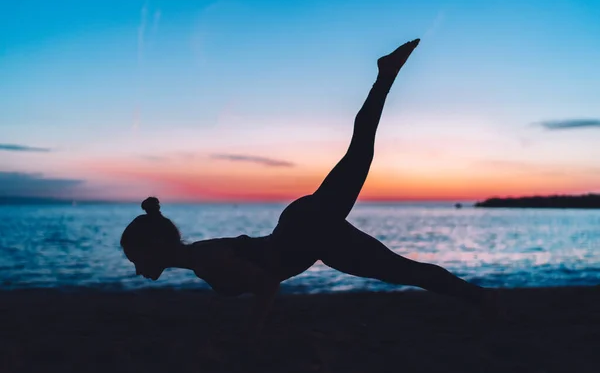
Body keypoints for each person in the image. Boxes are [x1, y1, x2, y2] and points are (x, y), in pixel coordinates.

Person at [120, 39, 502, 336]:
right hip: (305, 232)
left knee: (363, 161)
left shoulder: (203, 261)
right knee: (398, 261)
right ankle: (479, 299)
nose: (136, 269)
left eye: (135, 259)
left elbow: (267, 283)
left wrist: (252, 331)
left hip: (307, 231)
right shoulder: (198, 259)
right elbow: (260, 276)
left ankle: (385, 77)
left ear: (153, 248)